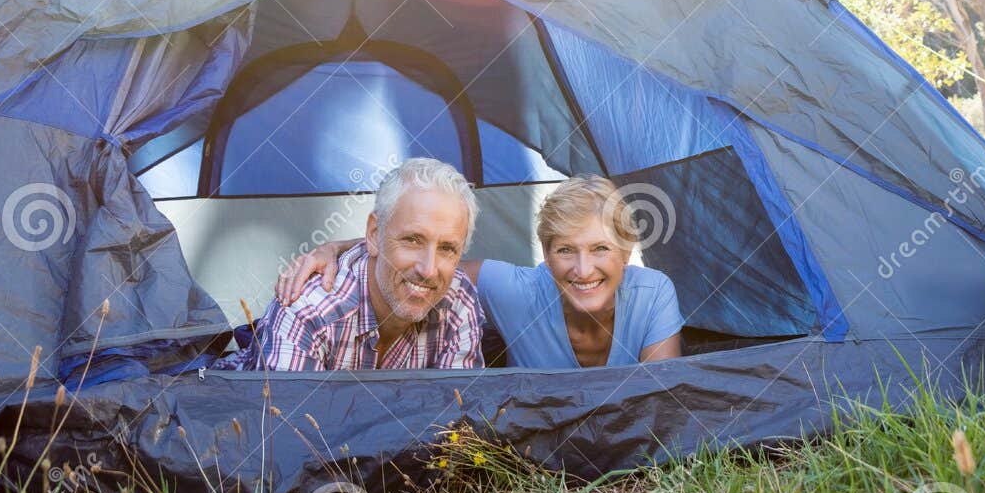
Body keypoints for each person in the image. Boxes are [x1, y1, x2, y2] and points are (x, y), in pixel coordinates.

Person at [278, 174, 682, 369]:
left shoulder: (653, 295)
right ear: (545, 253)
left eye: (600, 249)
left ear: (626, 252)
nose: (583, 269)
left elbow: (662, 407)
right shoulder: (516, 290)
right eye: (565, 250)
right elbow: (431, 268)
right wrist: (339, 247)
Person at [235, 157, 485, 372]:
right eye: (412, 240)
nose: (428, 270)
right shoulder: (307, 313)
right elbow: (285, 414)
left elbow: (457, 411)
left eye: (447, 248)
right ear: (374, 234)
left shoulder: (458, 301)